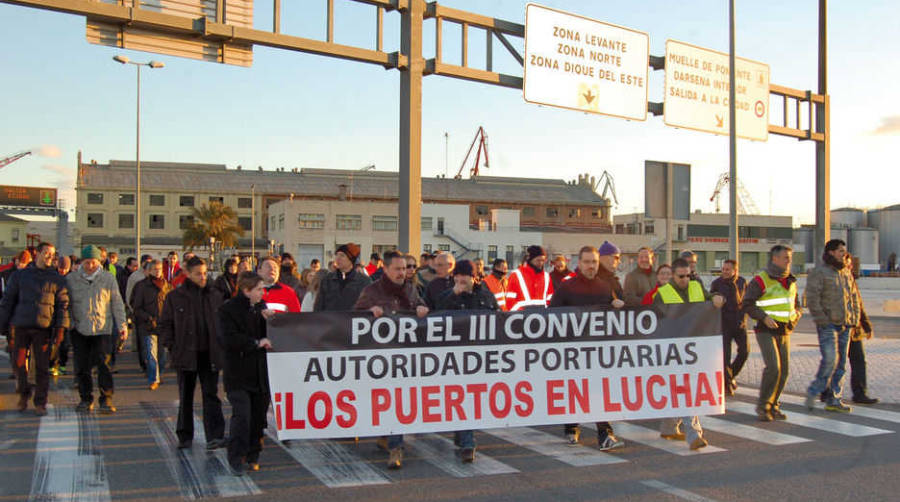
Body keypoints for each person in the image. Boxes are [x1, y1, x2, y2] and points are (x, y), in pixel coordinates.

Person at [354, 250, 429, 469]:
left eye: (404, 268)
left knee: (399, 400)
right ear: (385, 269)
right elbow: (352, 318)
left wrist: (422, 308)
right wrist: (369, 311)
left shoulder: (411, 289)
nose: (402, 273)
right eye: (397, 269)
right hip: (380, 356)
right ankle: (390, 439)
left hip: (405, 356)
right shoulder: (371, 291)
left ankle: (394, 444)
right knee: (387, 400)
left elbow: (419, 306)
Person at [550, 245, 625, 450]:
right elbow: (551, 316)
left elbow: (613, 310)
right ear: (579, 263)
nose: (591, 266)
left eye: (594, 262)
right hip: (572, 351)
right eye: (587, 262)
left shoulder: (603, 286)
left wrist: (617, 305)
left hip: (598, 352)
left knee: (599, 391)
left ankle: (605, 434)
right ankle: (571, 427)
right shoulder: (567, 287)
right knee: (574, 390)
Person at [652, 258, 724, 449]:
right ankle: (694, 434)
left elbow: (711, 299)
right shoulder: (662, 294)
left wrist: (717, 299)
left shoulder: (697, 288)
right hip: (672, 349)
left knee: (681, 390)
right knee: (684, 390)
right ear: (673, 275)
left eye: (688, 275)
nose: (685, 279)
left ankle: (668, 427)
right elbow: (656, 323)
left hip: (695, 348)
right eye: (681, 276)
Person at [159, 256, 227, 450]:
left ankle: (215, 435)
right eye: (198, 274)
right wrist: (172, 346)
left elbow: (222, 322)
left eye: (205, 273)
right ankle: (185, 436)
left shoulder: (215, 295)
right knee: (186, 396)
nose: (203, 277)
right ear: (187, 274)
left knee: (211, 395)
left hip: (210, 354)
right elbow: (165, 324)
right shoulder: (175, 297)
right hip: (185, 353)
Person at [435, 259, 498, 463]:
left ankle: (465, 438)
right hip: (453, 356)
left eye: (465, 276)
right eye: (458, 276)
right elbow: (435, 310)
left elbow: (497, 318)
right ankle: (466, 440)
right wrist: (454, 293)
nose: (461, 280)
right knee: (460, 397)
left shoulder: (485, 295)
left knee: (469, 398)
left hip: (477, 356)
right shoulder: (448, 294)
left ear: (474, 277)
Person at [0, 242, 69, 416]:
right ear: (37, 253)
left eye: (52, 254)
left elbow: (63, 305)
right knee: (18, 363)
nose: (49, 257)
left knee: (42, 367)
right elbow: (8, 300)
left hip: (44, 327)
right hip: (20, 325)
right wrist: (3, 324)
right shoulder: (20, 276)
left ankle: (40, 402)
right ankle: (23, 394)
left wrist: (61, 329)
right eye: (46, 253)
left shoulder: (57, 278)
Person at [219, 272, 273, 475]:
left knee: (258, 417)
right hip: (238, 374)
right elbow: (228, 339)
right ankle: (236, 457)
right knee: (242, 416)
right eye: (259, 289)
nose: (263, 292)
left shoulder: (262, 308)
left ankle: (253, 454)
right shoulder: (227, 310)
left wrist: (270, 321)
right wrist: (255, 343)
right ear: (246, 290)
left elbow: (272, 332)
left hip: (260, 375)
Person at [742, 245, 801, 421]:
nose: (789, 261)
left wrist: (796, 316)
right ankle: (763, 406)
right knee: (773, 367)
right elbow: (747, 303)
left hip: (784, 330)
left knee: (784, 371)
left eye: (789, 258)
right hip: (765, 329)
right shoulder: (761, 280)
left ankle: (774, 405)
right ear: (774, 259)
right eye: (785, 257)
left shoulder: (791, 281)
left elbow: (796, 304)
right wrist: (763, 317)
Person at [67, 245, 128, 414]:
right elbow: (67, 304)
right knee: (82, 366)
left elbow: (117, 303)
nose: (90, 266)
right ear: (81, 262)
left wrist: (122, 325)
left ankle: (106, 398)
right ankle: (85, 399)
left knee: (104, 364)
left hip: (103, 328)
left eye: (93, 262)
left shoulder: (108, 278)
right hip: (79, 329)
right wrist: (70, 323)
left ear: (99, 261)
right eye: (87, 262)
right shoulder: (71, 279)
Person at [804, 239, 860, 413]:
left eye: (844, 250)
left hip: (846, 324)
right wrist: (822, 320)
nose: (844, 253)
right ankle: (814, 391)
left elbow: (854, 297)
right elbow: (812, 299)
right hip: (828, 325)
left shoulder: (846, 273)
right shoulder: (819, 272)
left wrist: (855, 319)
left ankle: (834, 399)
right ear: (831, 252)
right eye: (840, 250)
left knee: (842, 363)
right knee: (830, 360)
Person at [131, 259, 173, 390]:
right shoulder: (141, 286)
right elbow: (136, 306)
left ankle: (159, 375)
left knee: (162, 354)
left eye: (159, 269)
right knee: (150, 353)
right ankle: (153, 378)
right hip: (147, 325)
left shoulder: (167, 286)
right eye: (154, 269)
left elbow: (171, 304)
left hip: (163, 325)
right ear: (148, 271)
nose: (157, 271)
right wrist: (148, 318)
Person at [710, 259, 749, 396]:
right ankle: (726, 384)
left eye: (728, 269)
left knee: (744, 352)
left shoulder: (742, 282)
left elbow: (746, 301)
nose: (725, 272)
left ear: (735, 271)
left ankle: (730, 376)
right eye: (723, 269)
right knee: (725, 357)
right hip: (724, 324)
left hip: (739, 324)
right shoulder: (717, 284)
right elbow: (711, 302)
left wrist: (744, 316)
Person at [844, 253, 878, 405]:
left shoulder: (851, 281)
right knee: (834, 362)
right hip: (839, 328)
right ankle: (827, 391)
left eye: (851, 264)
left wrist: (866, 326)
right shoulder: (833, 280)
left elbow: (859, 305)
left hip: (855, 329)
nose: (850, 267)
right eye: (848, 264)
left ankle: (860, 393)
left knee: (859, 360)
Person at [315, 243, 371, 312]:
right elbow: (318, 306)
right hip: (330, 321)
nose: (338, 258)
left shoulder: (364, 281)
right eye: (337, 255)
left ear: (351, 260)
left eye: (342, 255)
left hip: (352, 320)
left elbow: (369, 306)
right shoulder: (327, 280)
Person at [506, 245, 553, 311]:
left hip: (542, 318)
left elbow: (550, 298)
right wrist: (521, 314)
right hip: (521, 318)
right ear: (530, 259)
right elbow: (510, 301)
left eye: (542, 260)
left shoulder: (546, 276)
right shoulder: (516, 275)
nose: (540, 263)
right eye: (538, 260)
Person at [51, 255, 73, 376]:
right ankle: (52, 364)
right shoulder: (52, 278)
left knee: (65, 343)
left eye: (65, 268)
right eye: (60, 268)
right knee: (53, 343)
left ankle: (62, 364)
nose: (62, 271)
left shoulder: (71, 279)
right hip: (54, 315)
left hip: (67, 316)